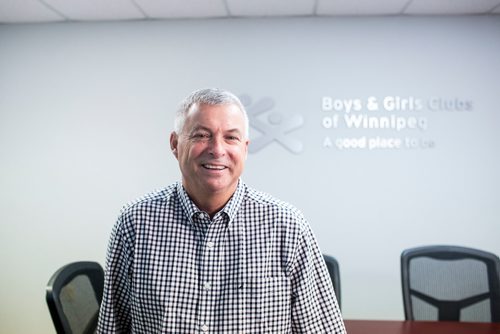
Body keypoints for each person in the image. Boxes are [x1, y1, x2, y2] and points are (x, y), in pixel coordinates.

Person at [97, 88, 346, 333]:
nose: (217, 149)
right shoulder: (134, 223)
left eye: (231, 137)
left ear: (245, 148)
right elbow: (113, 327)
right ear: (175, 144)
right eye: (201, 135)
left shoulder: (287, 226)